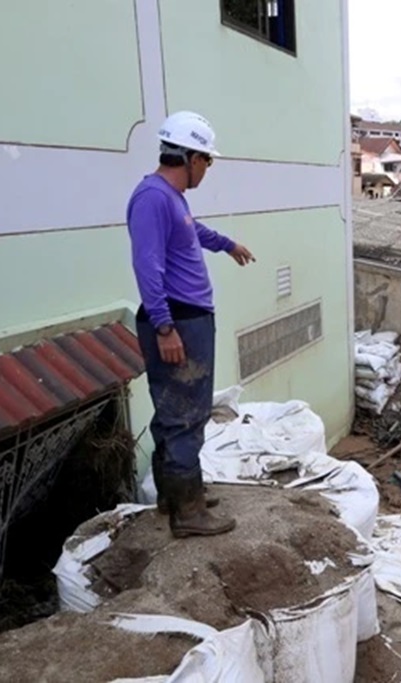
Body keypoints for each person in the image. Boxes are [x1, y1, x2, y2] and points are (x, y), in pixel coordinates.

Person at [126, 111, 255, 538]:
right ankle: (190, 514)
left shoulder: (171, 198)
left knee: (175, 415)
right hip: (178, 321)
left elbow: (190, 232)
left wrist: (226, 244)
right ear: (190, 157)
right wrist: (165, 328)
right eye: (207, 161)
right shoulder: (152, 198)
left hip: (186, 318)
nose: (207, 170)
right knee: (186, 416)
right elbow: (147, 266)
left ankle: (176, 495)